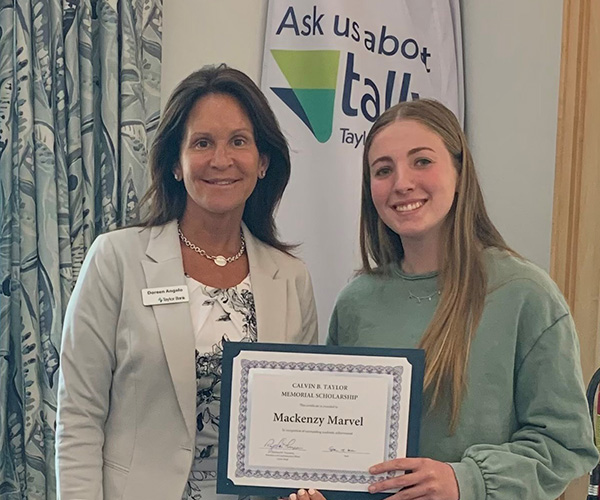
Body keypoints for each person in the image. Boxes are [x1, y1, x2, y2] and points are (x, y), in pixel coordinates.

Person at [291, 99, 598, 500]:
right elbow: (335, 440)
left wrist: (465, 480)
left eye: (421, 161)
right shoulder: (356, 302)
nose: (402, 182)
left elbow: (565, 445)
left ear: (459, 170)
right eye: (383, 170)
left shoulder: (526, 295)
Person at [55, 64, 318, 500]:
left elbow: (300, 419)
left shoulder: (291, 278)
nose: (221, 160)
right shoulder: (116, 259)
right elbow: (79, 416)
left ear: (263, 161)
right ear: (176, 164)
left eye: (238, 141)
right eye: (202, 143)